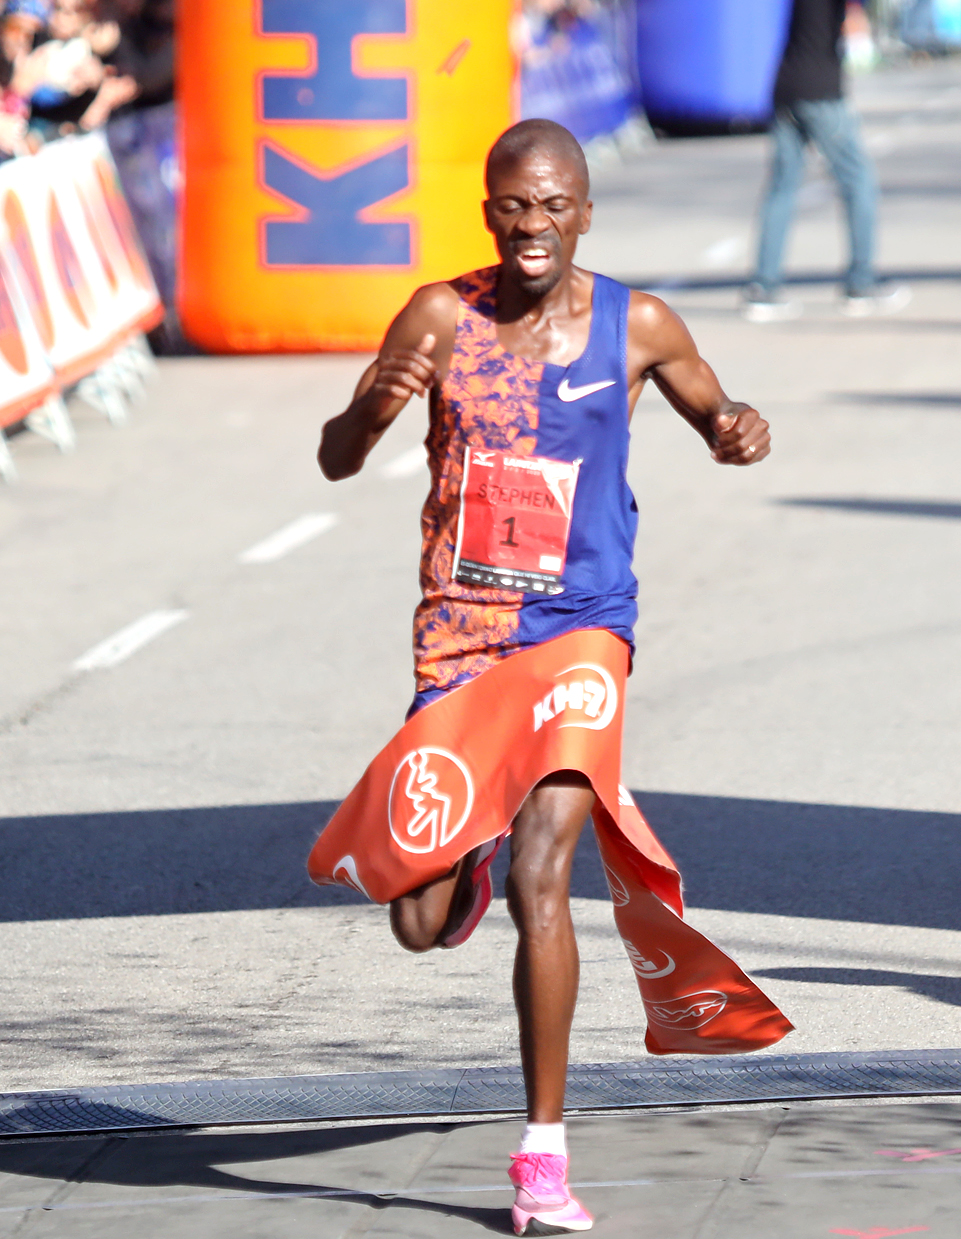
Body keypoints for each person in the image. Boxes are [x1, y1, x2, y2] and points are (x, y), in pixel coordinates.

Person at [314, 119, 790, 1236]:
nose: (533, 227)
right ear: (488, 212)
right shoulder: (440, 314)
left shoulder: (639, 324)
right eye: (513, 207)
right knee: (419, 921)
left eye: (553, 207)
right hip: (464, 631)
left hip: (581, 627)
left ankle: (541, 1159)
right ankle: (455, 859)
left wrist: (735, 429)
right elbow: (337, 455)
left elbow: (718, 415)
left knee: (549, 870)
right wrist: (379, 402)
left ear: (584, 211)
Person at [743, 0, 930, 323]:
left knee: (783, 186)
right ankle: (861, 282)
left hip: (788, 90)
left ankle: (764, 286)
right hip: (819, 94)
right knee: (859, 180)